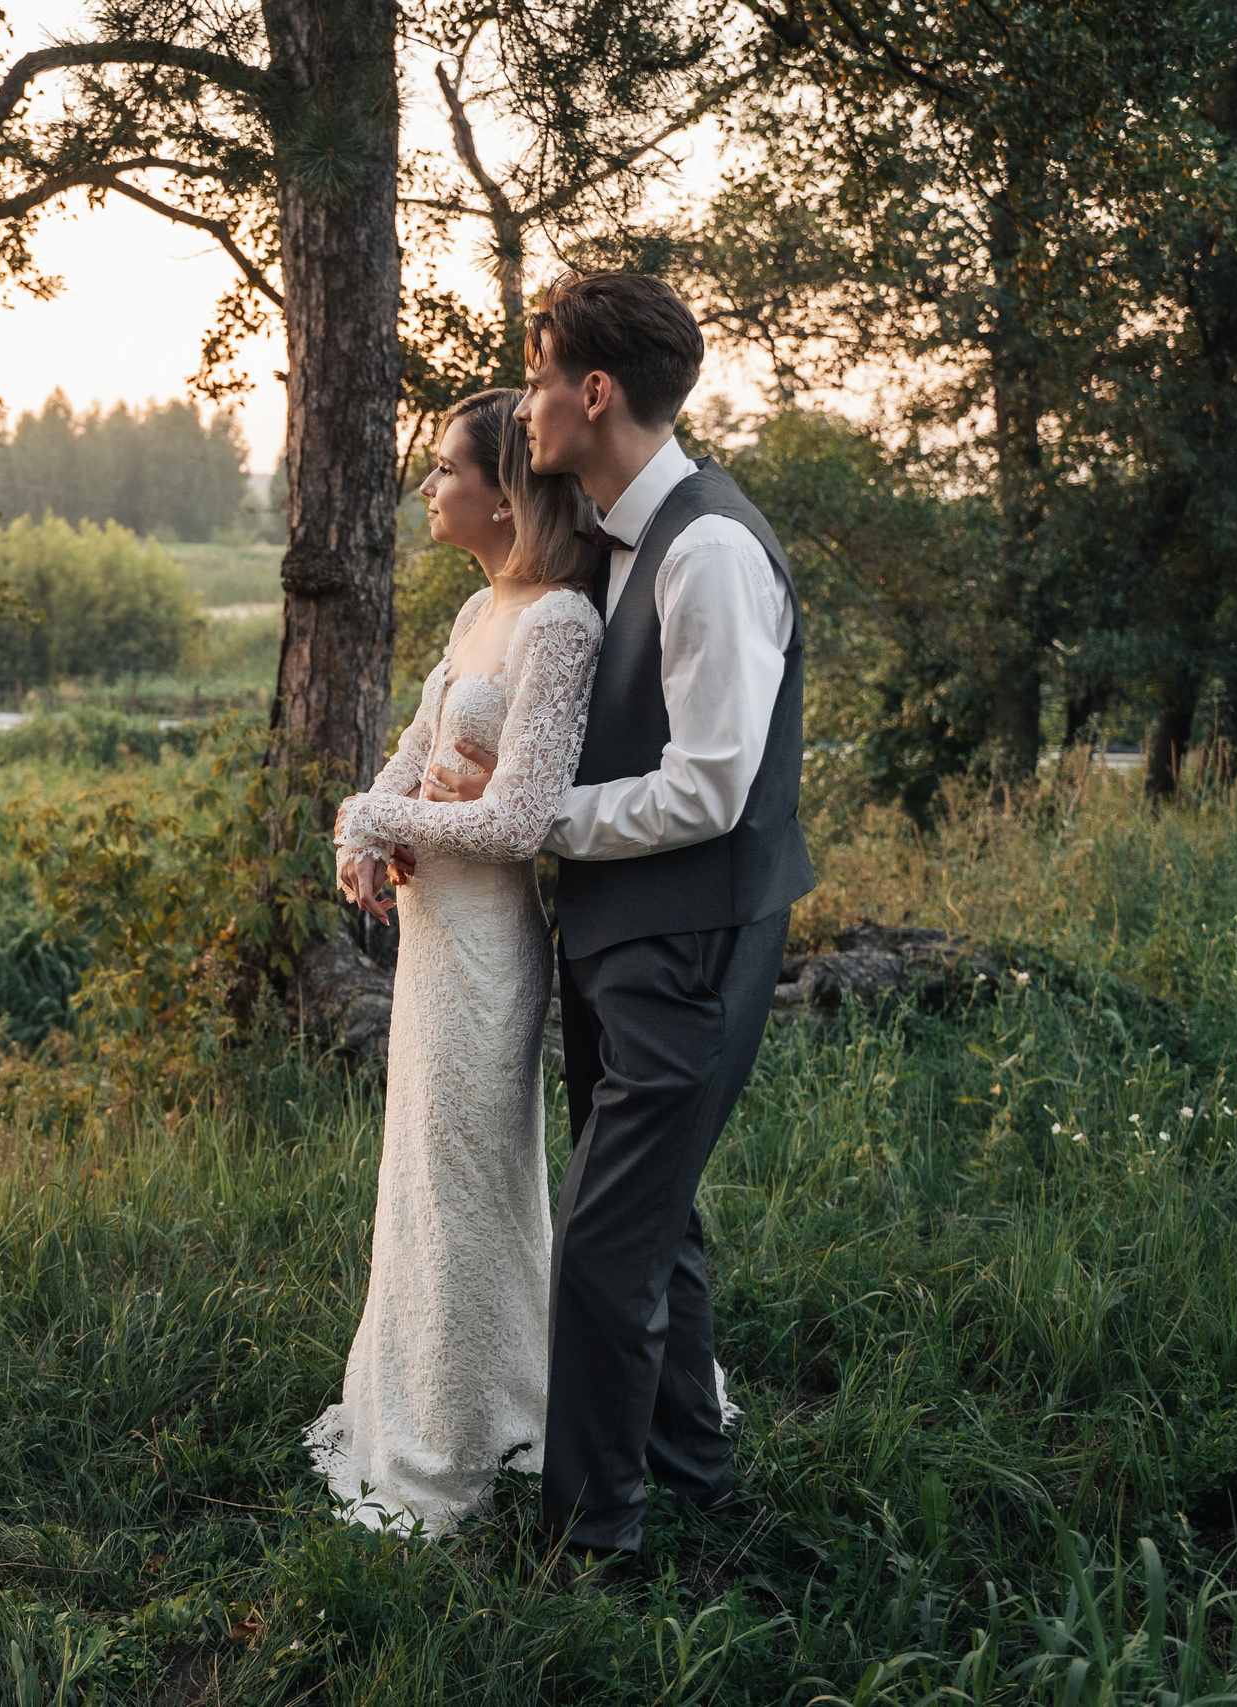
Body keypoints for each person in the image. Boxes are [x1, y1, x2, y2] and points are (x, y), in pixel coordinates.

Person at [422, 273, 811, 1581]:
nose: (522, 407)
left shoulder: (708, 550)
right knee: (655, 1228)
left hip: (689, 942)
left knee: (601, 1244)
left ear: (594, 393)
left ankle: (596, 1543)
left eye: (537, 381)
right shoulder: (621, 539)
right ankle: (697, 1479)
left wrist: (540, 819)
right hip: (627, 940)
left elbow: (712, 783)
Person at [302, 386, 604, 1537]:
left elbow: (523, 818)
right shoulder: (479, 611)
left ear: (503, 489)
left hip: (488, 946)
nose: (425, 488)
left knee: (472, 1179)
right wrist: (359, 824)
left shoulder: (557, 624)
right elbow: (412, 757)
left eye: (442, 469)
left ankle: (471, 1437)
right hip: (429, 944)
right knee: (420, 1178)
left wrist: (406, 824)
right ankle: (426, 1402)